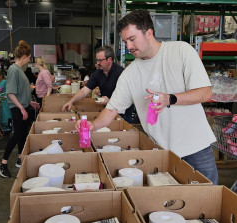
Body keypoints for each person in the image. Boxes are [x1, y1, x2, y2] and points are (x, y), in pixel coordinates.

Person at [77, 9, 218, 185]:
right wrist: (93, 125)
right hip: (162, 152)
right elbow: (112, 108)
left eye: (132, 39)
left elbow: (205, 92)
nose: (128, 46)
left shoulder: (181, 51)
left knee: (206, 201)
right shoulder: (130, 73)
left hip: (196, 148)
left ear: (149, 32)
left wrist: (170, 99)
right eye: (125, 41)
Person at [0, 40, 40, 178]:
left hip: (23, 106)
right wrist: (21, 107)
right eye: (29, 57)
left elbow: (21, 92)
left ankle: (20, 159)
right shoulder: (14, 70)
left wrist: (29, 103)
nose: (29, 60)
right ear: (25, 56)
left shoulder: (20, 70)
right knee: (16, 135)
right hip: (16, 108)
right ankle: (2, 164)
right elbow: (10, 92)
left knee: (22, 134)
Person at [62, 46, 124, 110]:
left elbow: (126, 98)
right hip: (108, 110)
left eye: (100, 60)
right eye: (97, 60)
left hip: (122, 112)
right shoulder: (98, 73)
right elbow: (84, 91)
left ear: (109, 59)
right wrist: (71, 102)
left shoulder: (121, 73)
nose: (97, 63)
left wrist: (110, 102)